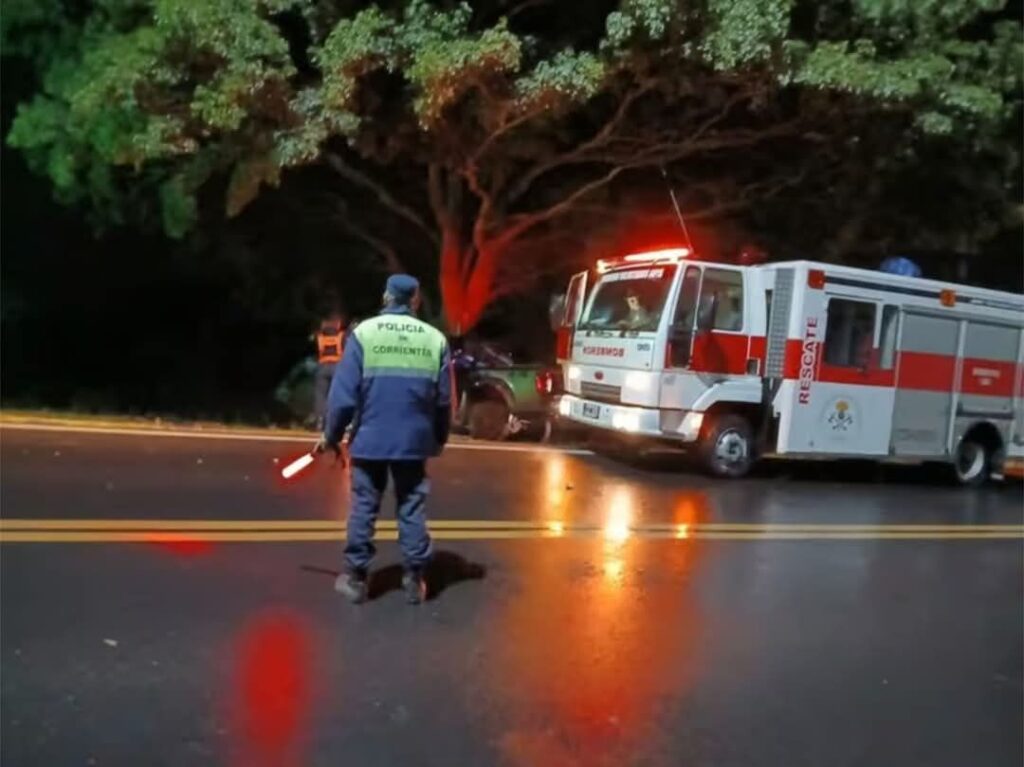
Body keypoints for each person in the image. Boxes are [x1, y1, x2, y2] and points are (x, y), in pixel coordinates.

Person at [316, 274, 451, 605]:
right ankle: (415, 579)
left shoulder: (364, 334)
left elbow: (342, 398)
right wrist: (438, 438)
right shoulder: (435, 340)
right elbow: (444, 401)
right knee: (411, 506)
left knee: (364, 505)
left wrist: (332, 436)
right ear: (415, 301)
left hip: (370, 439)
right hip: (413, 442)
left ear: (386, 297)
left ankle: (356, 579)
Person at [313, 312, 346, 429]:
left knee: (320, 395)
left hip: (322, 367)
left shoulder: (319, 336)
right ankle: (339, 421)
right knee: (339, 394)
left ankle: (320, 420)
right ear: (338, 324)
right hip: (338, 368)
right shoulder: (342, 336)